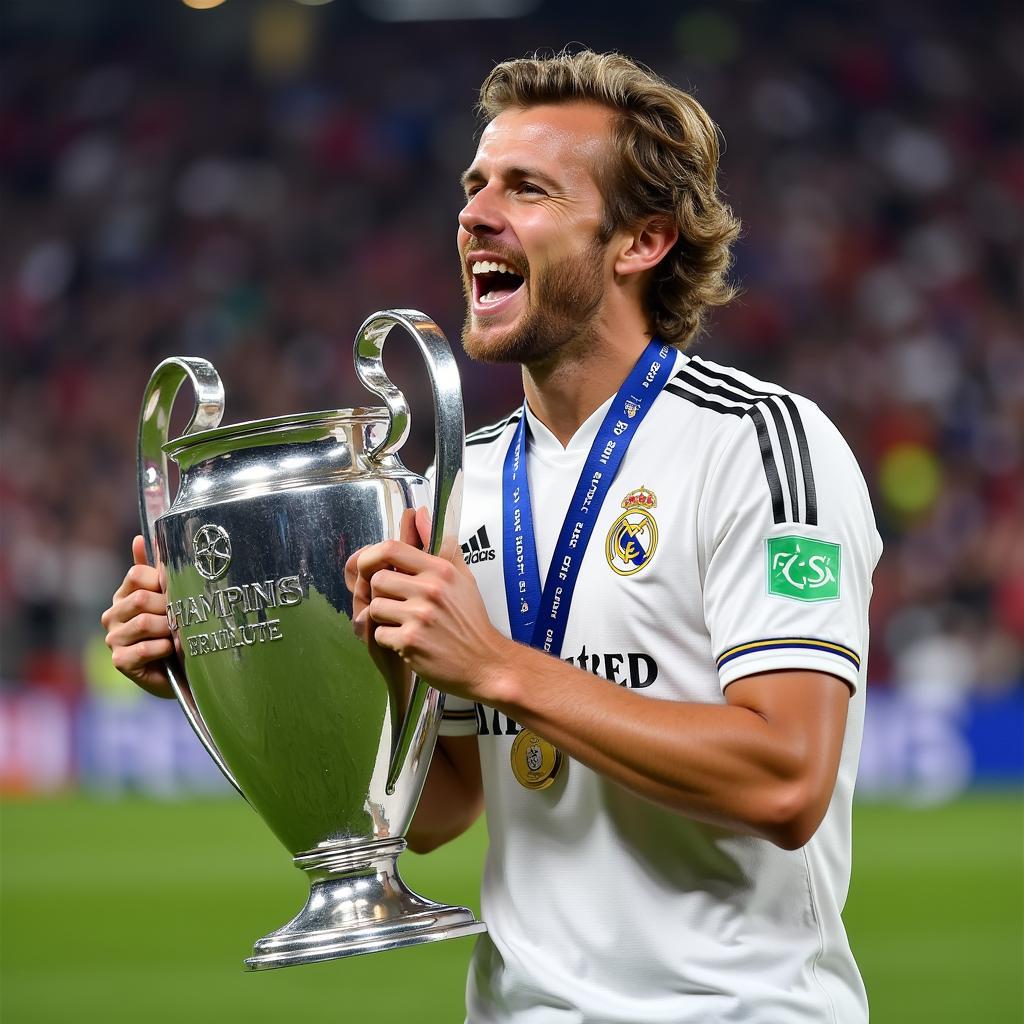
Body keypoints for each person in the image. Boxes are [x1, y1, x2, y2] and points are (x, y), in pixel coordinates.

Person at [104, 50, 881, 1024]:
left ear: (640, 240)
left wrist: (501, 667)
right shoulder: (459, 484)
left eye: (528, 188)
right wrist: (216, 666)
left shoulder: (760, 446)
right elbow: (439, 811)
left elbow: (786, 779)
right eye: (474, 184)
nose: (474, 212)